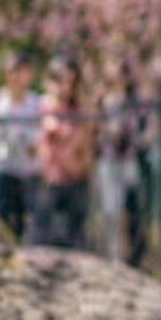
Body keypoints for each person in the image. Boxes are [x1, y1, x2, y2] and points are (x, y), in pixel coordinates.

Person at [29, 54, 95, 249]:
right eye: (60, 80)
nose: (64, 87)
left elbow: (83, 146)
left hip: (75, 181)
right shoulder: (39, 106)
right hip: (47, 182)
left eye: (70, 81)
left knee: (73, 239)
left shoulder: (81, 110)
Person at [0, 50, 41, 237]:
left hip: (28, 170)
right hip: (1, 168)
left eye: (23, 71)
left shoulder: (37, 103)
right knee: (0, 220)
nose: (18, 77)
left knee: (27, 223)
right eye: (14, 71)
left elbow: (36, 140)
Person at [95, 56, 151, 266]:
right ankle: (111, 256)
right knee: (111, 211)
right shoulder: (102, 101)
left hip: (129, 162)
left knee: (132, 209)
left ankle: (134, 257)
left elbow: (144, 130)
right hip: (109, 161)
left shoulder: (134, 103)